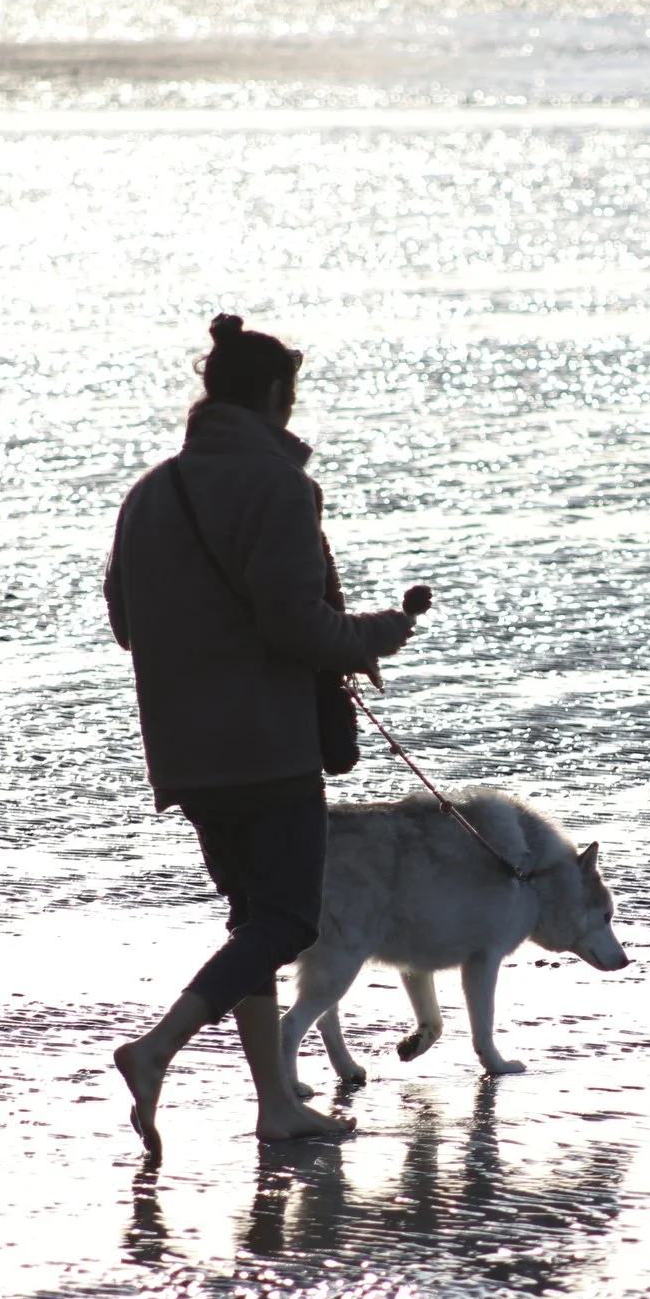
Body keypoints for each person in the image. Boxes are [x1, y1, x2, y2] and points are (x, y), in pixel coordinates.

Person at [103, 315, 425, 1162]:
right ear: (275, 397)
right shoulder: (280, 489)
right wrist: (374, 637)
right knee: (286, 920)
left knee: (251, 919)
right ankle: (156, 1048)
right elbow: (295, 626)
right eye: (292, 397)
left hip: (186, 753)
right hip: (266, 746)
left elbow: (126, 624)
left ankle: (277, 1104)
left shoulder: (151, 492)